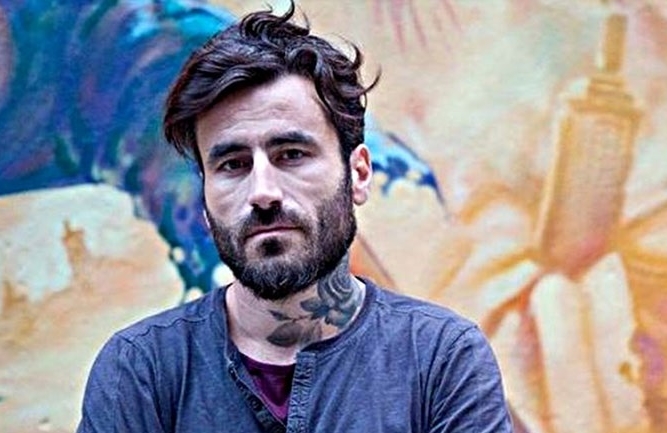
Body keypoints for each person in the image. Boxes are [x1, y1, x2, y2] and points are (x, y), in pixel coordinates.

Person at [76, 3, 513, 432]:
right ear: (204, 200)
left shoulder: (441, 358)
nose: (263, 192)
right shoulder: (140, 370)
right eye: (233, 165)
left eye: (291, 154)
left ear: (358, 174)